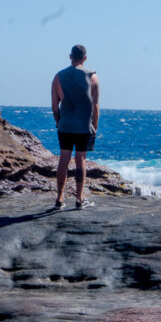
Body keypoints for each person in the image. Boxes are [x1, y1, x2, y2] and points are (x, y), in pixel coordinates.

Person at [51, 44, 100, 209]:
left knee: (63, 159)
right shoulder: (92, 77)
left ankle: (59, 198)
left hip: (65, 125)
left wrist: (58, 122)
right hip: (83, 126)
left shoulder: (58, 77)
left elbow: (54, 105)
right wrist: (95, 126)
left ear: (70, 57)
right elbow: (96, 105)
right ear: (85, 58)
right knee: (81, 160)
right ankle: (79, 199)